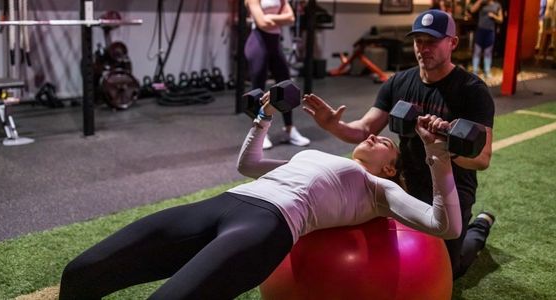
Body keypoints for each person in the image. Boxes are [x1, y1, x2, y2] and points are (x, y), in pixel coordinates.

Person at [59, 97, 462, 299]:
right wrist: (264, 115)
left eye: (384, 144)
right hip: (222, 204)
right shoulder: (315, 157)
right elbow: (249, 165)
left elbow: (444, 226)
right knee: (82, 272)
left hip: (266, 227)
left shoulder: (379, 190)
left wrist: (437, 155)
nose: (372, 135)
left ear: (390, 168)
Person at [302, 9, 495, 280]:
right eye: (419, 41)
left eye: (432, 41)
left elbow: (482, 158)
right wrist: (334, 125)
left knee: (447, 272)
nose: (423, 49)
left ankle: (479, 228)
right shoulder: (400, 82)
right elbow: (366, 129)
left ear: (452, 42)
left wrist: (444, 146)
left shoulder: (472, 91)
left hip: (452, 190)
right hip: (404, 185)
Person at [244, 0, 310, 149]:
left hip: (274, 43)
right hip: (258, 42)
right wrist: (280, 18)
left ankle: (289, 129)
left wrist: (270, 18)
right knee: (257, 89)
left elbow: (291, 18)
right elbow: (262, 23)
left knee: (286, 88)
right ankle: (259, 133)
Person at [468, 0, 503, 79]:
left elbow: (501, 19)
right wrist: (479, 1)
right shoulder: (481, 4)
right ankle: (475, 71)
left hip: (490, 31)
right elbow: (472, 10)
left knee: (488, 52)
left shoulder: (497, 5)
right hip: (480, 30)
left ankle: (487, 71)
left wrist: (494, 16)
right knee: (477, 51)